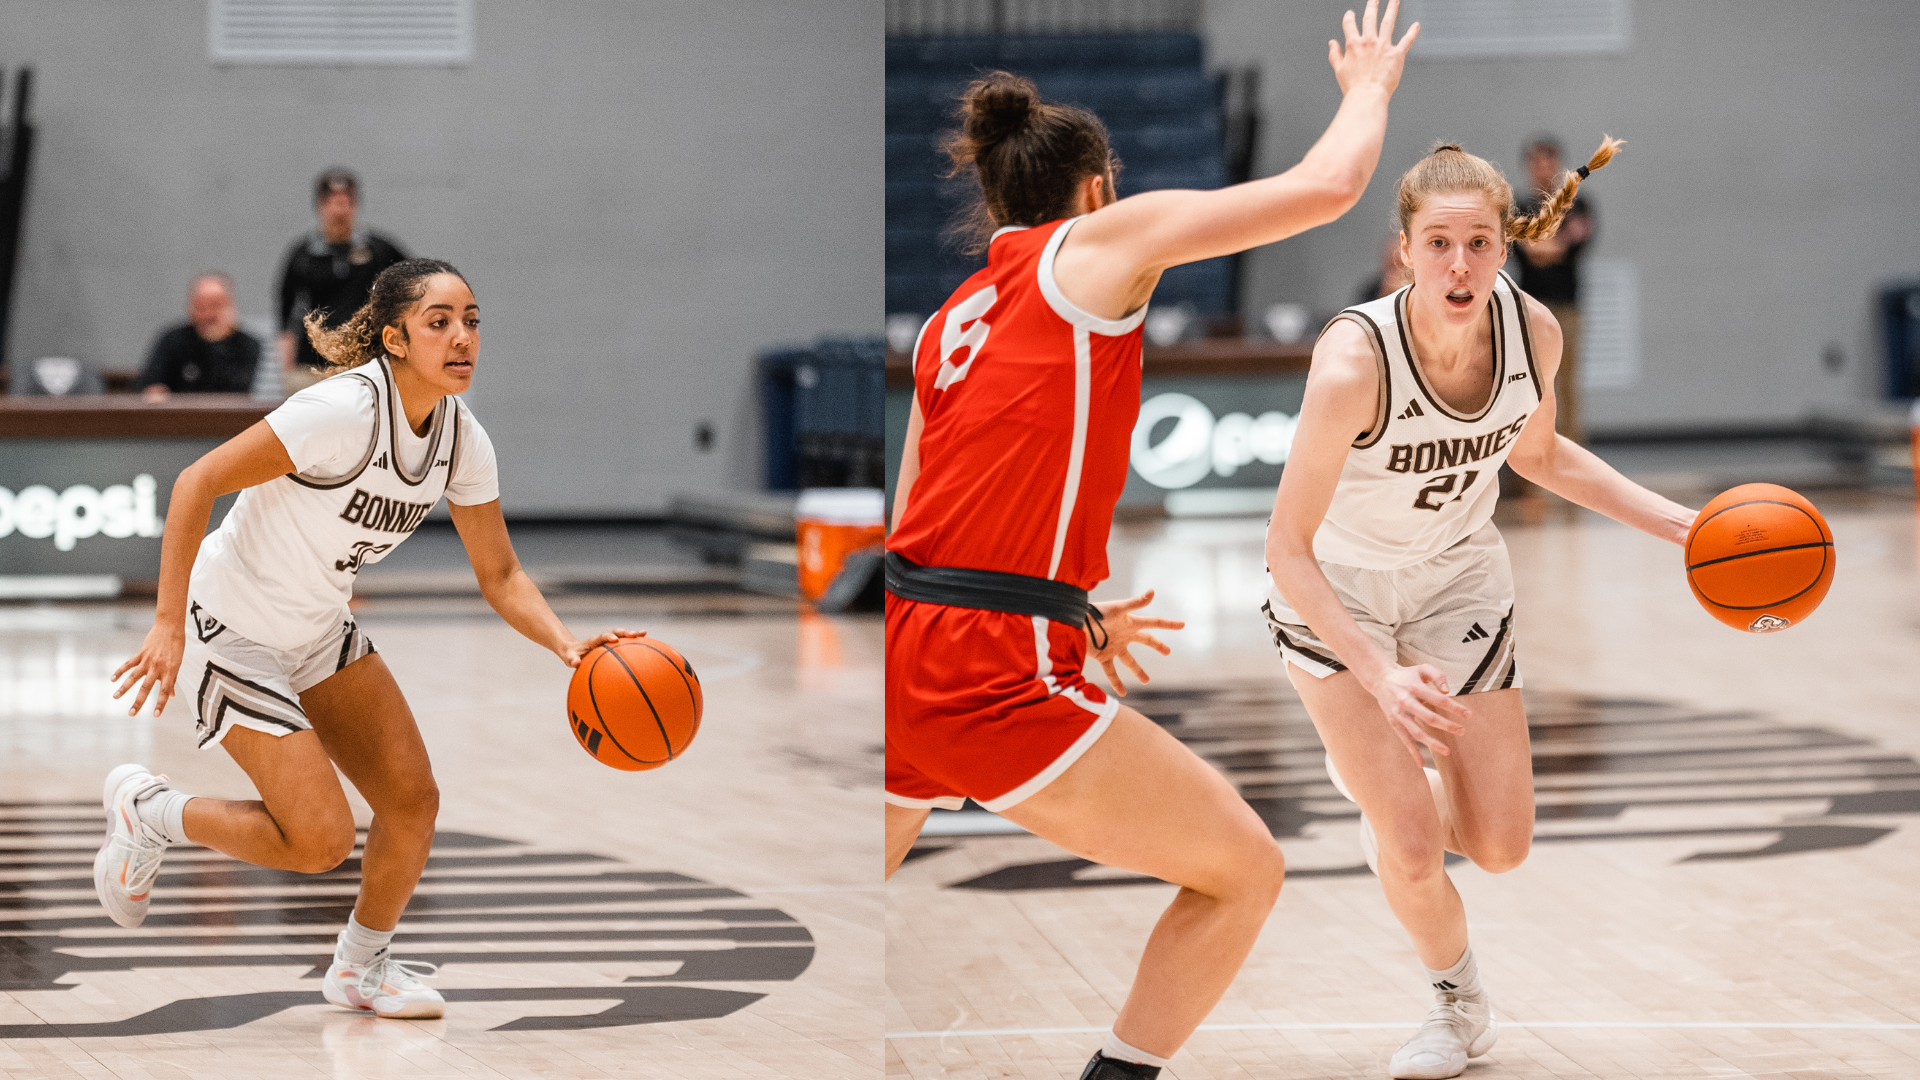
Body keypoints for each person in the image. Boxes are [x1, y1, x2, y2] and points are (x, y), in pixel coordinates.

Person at [884, 5, 1418, 1077]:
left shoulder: (951, 318)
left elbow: (915, 525)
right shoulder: (1099, 242)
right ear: (1097, 187)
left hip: (907, 656)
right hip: (995, 673)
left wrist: (1062, 604)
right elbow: (1326, 190)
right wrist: (1370, 88)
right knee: (1245, 870)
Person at [103, 259, 641, 1020]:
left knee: (412, 801)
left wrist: (569, 646)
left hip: (318, 626)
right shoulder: (341, 412)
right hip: (227, 626)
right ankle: (150, 811)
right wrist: (165, 623)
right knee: (319, 841)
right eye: (440, 322)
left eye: (473, 321)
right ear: (394, 337)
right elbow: (197, 482)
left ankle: (362, 968)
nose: (463, 338)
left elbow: (502, 573)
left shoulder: (463, 440)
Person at [1263, 136, 1694, 1079]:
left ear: (1508, 245)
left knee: (1499, 847)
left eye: (1480, 244)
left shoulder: (1533, 332)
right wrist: (1377, 680)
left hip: (1458, 577)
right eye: (1439, 244)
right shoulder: (1353, 364)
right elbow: (1284, 550)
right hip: (1341, 592)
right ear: (1404, 249)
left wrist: (1680, 525)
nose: (1460, 265)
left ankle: (1381, 786)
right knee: (1413, 841)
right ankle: (1458, 1008)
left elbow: (1539, 456)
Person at [277, 168, 408, 394]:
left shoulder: (378, 249)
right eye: (333, 203)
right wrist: (286, 352)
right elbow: (285, 304)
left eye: (346, 203)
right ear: (320, 206)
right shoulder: (304, 254)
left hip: (365, 363)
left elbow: (414, 279)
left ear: (355, 206)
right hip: (312, 363)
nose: (340, 210)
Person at [1510, 135, 1595, 443]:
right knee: (1532, 382)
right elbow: (1528, 251)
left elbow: (1567, 247)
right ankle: (1531, 462)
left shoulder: (1578, 203)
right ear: (1529, 166)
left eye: (1549, 161)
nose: (1543, 168)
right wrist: (1551, 244)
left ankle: (1574, 453)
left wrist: (1542, 243)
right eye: (1536, 162)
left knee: (1568, 383)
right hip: (1530, 306)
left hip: (1568, 305)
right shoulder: (1518, 205)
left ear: (1557, 164)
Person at [137, 274, 262, 401]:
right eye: (202, 306)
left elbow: (238, 390)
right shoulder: (173, 339)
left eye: (216, 305)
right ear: (191, 306)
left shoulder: (246, 344)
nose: (209, 314)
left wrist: (216, 341)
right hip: (178, 415)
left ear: (230, 306)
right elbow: (150, 382)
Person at [1356, 232, 1407, 304]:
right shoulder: (1372, 290)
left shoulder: (1422, 288)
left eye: (1401, 266)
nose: (1396, 273)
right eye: (1392, 266)